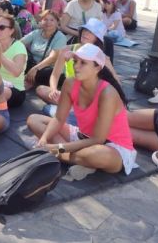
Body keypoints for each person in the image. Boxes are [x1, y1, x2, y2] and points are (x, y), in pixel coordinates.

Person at [27, 44, 137, 178]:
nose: (76, 66)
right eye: (75, 61)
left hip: (111, 148)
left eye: (83, 63)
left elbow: (98, 139)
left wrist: (57, 148)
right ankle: (74, 158)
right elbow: (59, 119)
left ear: (97, 67)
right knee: (34, 120)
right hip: (82, 137)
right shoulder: (70, 83)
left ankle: (60, 154)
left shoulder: (108, 93)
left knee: (97, 155)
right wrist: (43, 139)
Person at [36, 18, 120, 106]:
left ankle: (72, 109)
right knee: (41, 90)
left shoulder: (102, 57)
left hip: (90, 97)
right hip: (71, 94)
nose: (85, 33)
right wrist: (53, 89)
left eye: (90, 32)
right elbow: (55, 75)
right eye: (85, 30)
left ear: (97, 38)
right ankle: (74, 109)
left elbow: (116, 82)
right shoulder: (67, 50)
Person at [22, 10, 67, 88]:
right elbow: (19, 43)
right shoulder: (36, 33)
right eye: (45, 19)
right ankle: (30, 80)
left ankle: (29, 80)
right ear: (41, 21)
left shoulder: (61, 37)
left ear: (57, 23)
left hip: (50, 68)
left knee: (46, 73)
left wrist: (35, 69)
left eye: (52, 20)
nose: (48, 22)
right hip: (34, 65)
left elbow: (52, 58)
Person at [0, 14, 27, 108]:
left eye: (1, 27)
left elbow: (16, 72)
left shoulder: (18, 46)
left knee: (2, 91)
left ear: (11, 31)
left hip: (14, 90)